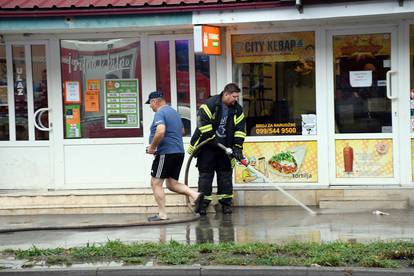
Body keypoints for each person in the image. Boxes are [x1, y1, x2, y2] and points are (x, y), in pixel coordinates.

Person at [188, 83, 246, 215]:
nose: (236, 99)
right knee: (206, 176)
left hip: (226, 147)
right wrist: (211, 138)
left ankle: (226, 204)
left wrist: (237, 147)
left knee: (225, 176)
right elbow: (202, 122)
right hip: (207, 146)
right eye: (234, 96)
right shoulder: (210, 104)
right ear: (226, 94)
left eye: (237, 97)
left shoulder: (237, 109)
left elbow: (240, 129)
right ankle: (203, 204)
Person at [145, 91, 204, 221]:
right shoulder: (175, 113)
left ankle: (162, 214)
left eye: (150, 103)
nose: (150, 107)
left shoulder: (161, 112)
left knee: (155, 183)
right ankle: (196, 195)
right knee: (171, 184)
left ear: (155, 101)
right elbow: (182, 131)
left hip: (166, 153)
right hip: (178, 152)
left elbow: (160, 131)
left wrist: (153, 147)